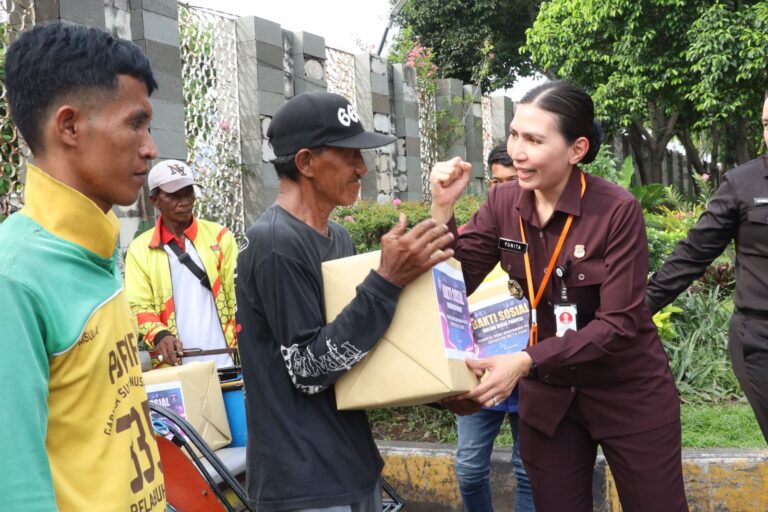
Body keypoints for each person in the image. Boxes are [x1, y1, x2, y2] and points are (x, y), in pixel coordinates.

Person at [431, 82, 688, 511]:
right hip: (549, 394)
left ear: (576, 149)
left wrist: (525, 360)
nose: (517, 152)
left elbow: (619, 324)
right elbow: (452, 288)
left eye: (534, 140)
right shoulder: (502, 202)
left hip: (626, 389)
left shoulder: (616, 209)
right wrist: (442, 210)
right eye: (514, 135)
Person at [235, 91, 456, 511]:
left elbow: (355, 347)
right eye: (349, 154)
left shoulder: (336, 236)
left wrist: (439, 394)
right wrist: (386, 281)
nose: (362, 167)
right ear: (306, 162)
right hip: (305, 483)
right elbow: (309, 369)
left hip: (352, 466)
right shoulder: (275, 243)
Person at [0, 23, 166, 510]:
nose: (150, 147)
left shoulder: (98, 247)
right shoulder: (14, 278)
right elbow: (16, 489)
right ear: (69, 126)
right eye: (135, 124)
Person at [646, 95, 768, 444]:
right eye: (766, 124)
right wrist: (636, 310)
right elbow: (693, 254)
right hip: (760, 339)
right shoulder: (743, 184)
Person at [455, 144, 534, 512]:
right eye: (496, 183)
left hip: (526, 372)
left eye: (512, 182)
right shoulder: (475, 236)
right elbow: (448, 287)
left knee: (527, 471)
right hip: (480, 373)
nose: (503, 191)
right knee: (469, 469)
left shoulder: (540, 235)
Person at [125, 159, 239, 368]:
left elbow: (237, 295)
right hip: (174, 369)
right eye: (174, 195)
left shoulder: (220, 237)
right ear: (155, 200)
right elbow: (137, 305)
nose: (185, 201)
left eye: (188, 193)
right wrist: (159, 335)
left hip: (228, 362)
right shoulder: (140, 249)